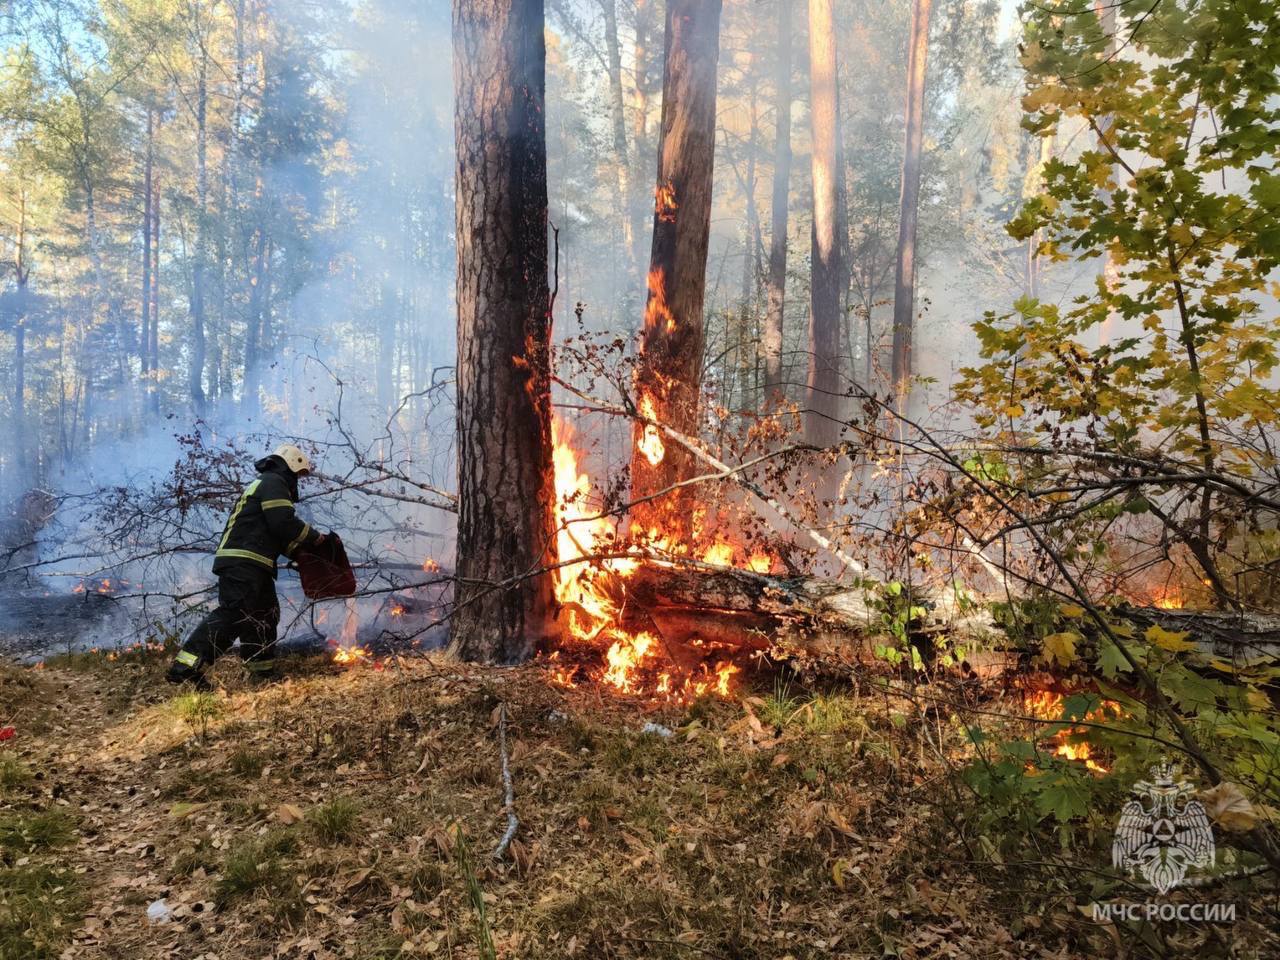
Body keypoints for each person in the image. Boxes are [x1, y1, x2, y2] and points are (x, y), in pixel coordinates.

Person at [167, 444, 326, 689]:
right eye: (298, 475)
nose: (298, 481)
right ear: (291, 466)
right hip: (243, 561)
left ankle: (261, 673)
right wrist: (316, 538)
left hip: (254, 563)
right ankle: (185, 667)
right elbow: (283, 523)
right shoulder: (273, 481)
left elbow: (274, 533)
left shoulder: (268, 484)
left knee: (264, 615)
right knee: (234, 613)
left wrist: (300, 554)